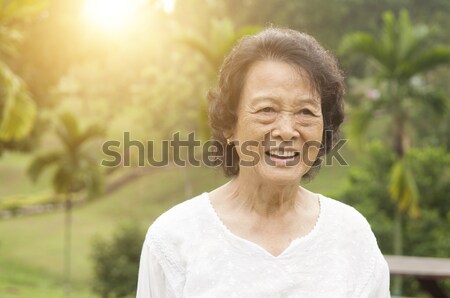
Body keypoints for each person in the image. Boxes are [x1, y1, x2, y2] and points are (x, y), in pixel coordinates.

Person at [136, 28, 390, 298]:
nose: (286, 130)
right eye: (267, 110)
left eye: (305, 112)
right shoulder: (173, 239)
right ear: (229, 125)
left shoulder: (351, 236)